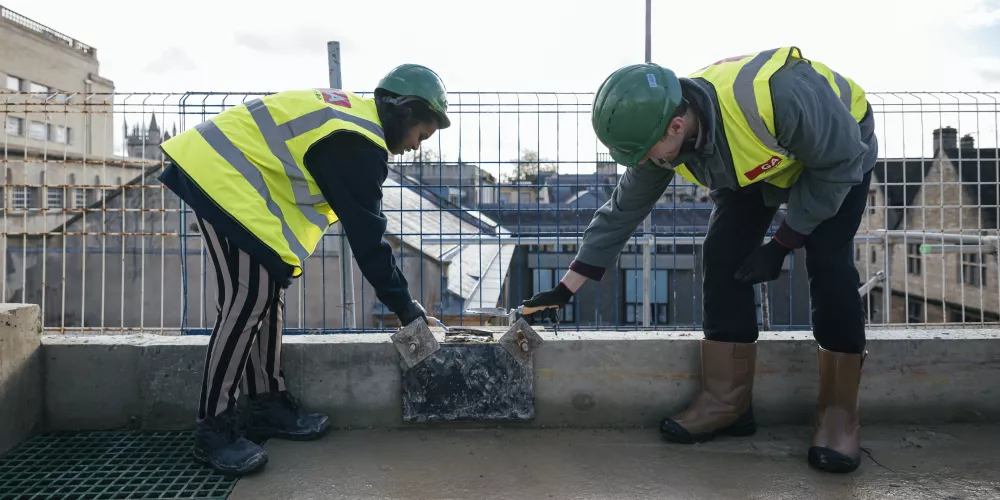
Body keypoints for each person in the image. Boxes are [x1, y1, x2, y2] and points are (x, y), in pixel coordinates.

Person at [521, 47, 877, 474]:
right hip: (753, 166)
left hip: (837, 153)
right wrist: (566, 288)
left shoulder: (780, 95)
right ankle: (727, 403)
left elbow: (838, 165)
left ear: (677, 125)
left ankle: (839, 418)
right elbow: (621, 211)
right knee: (723, 253)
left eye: (650, 153)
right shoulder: (664, 134)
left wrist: (782, 244)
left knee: (829, 264)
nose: (649, 162)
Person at [157, 64, 450, 476]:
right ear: (405, 112)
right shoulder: (357, 143)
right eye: (421, 135)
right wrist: (407, 310)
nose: (417, 147)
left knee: (265, 294)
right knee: (246, 301)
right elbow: (369, 243)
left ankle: (266, 404)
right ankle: (214, 430)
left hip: (236, 182)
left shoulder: (354, 120)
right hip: (218, 178)